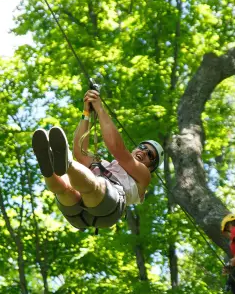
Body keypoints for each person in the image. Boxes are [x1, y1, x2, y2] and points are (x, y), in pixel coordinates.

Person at [32, 89, 164, 232]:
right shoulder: (103, 165)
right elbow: (80, 151)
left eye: (150, 155)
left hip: (108, 208)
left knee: (96, 184)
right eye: (142, 146)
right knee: (65, 187)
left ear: (151, 167)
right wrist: (87, 112)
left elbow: (116, 148)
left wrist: (100, 109)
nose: (144, 152)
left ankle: (66, 165)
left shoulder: (143, 176)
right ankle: (50, 170)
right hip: (77, 213)